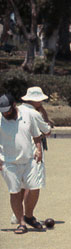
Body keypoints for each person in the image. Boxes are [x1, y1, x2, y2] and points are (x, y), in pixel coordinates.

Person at [0, 94, 45, 234]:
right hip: (9, 162)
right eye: (2, 111)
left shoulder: (27, 115)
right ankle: (21, 223)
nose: (5, 113)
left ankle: (29, 216)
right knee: (14, 192)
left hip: (29, 160)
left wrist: (38, 149)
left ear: (14, 105)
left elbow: (36, 135)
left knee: (34, 188)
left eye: (7, 110)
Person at [17, 87, 53, 225]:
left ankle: (17, 214)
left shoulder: (17, 110)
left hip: (17, 153)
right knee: (34, 185)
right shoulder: (34, 113)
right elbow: (47, 130)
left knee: (20, 185)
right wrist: (44, 114)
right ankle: (28, 216)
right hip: (34, 152)